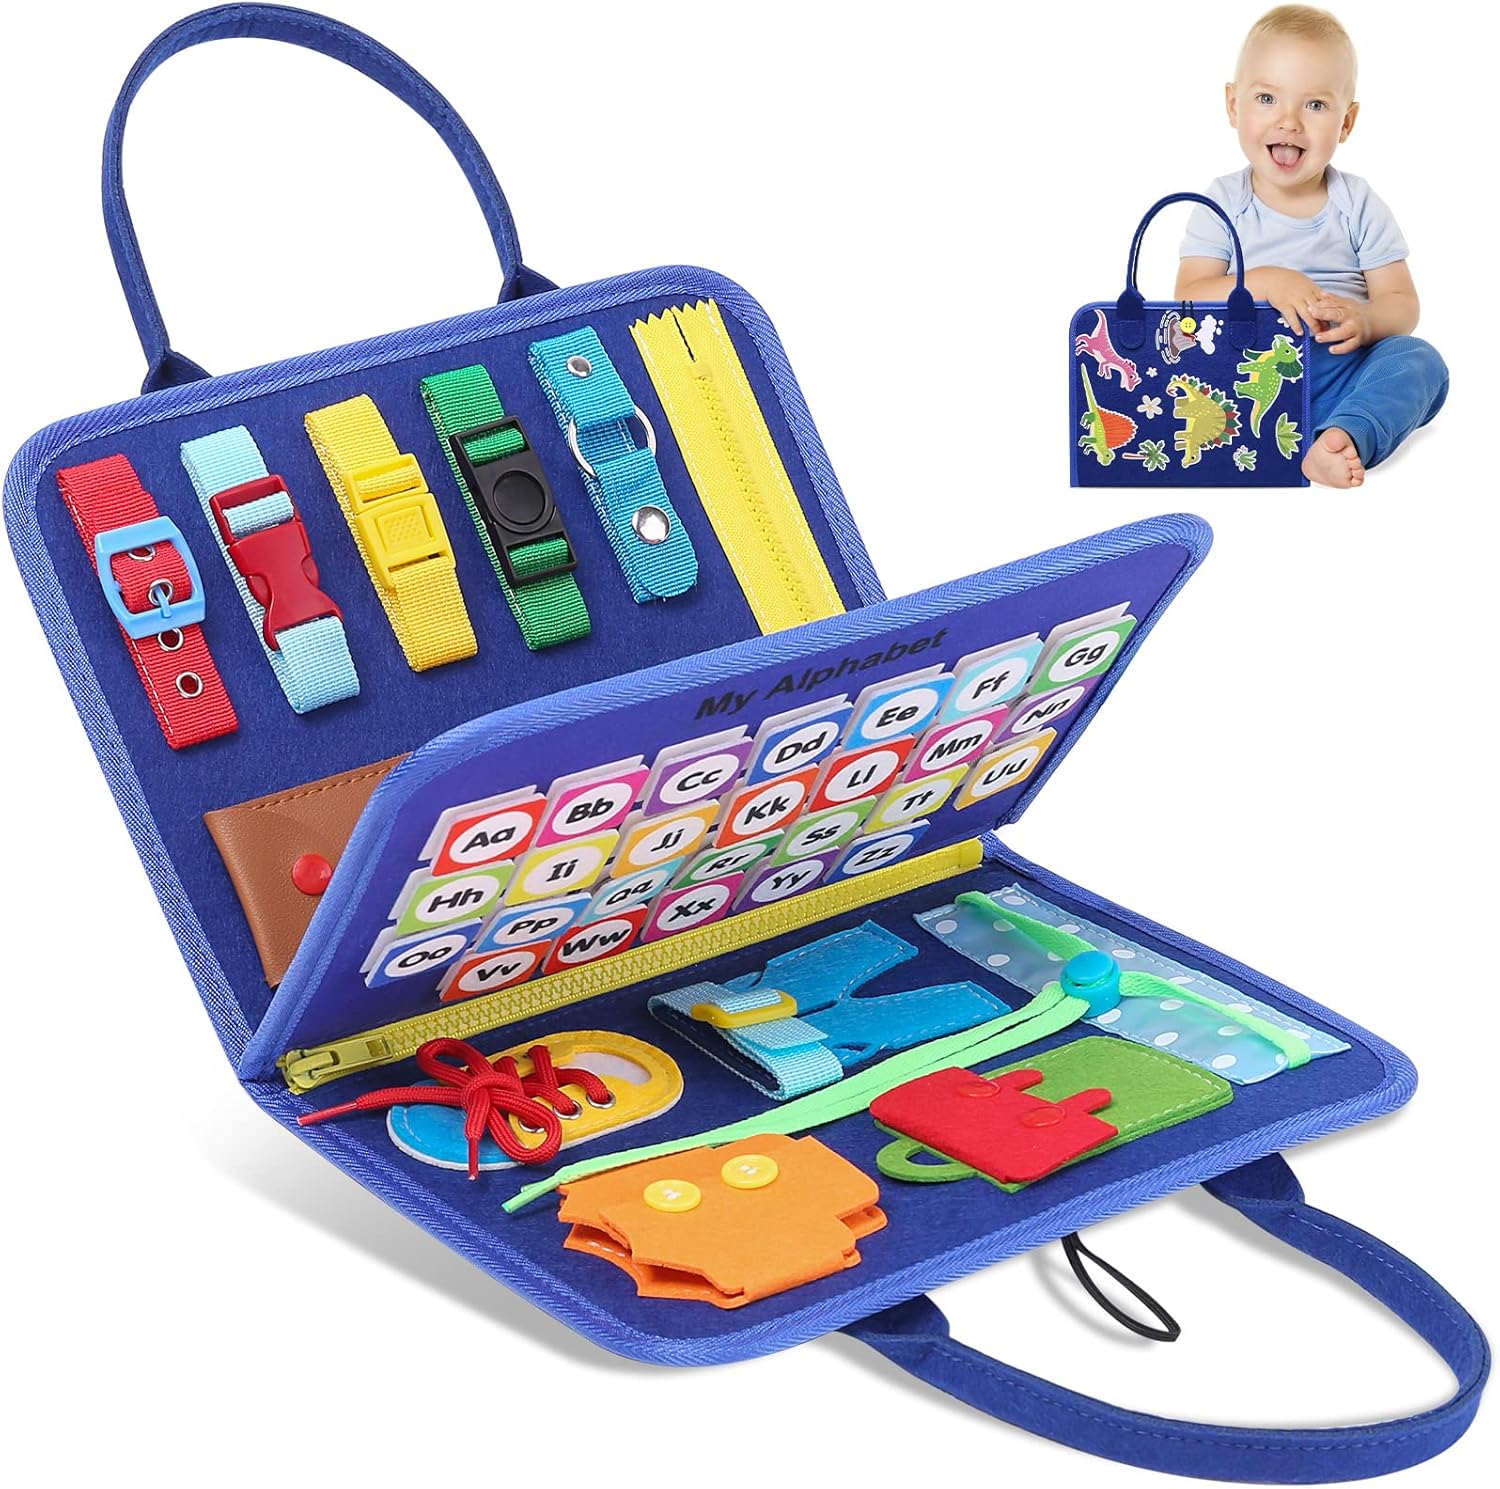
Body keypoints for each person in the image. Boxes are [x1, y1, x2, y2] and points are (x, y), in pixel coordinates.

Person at [1176, 5, 1446, 487]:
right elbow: (1186, 298)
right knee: (1195, 372)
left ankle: (1340, 436)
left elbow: (1402, 303)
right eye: (1266, 98)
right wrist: (1264, 282)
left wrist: (1366, 321)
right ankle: (1277, 438)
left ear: (1347, 122)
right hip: (1245, 378)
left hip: (1340, 377)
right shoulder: (1223, 203)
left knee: (1421, 361)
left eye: (1316, 105)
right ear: (1233, 105)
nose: (1289, 122)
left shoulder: (1357, 203)